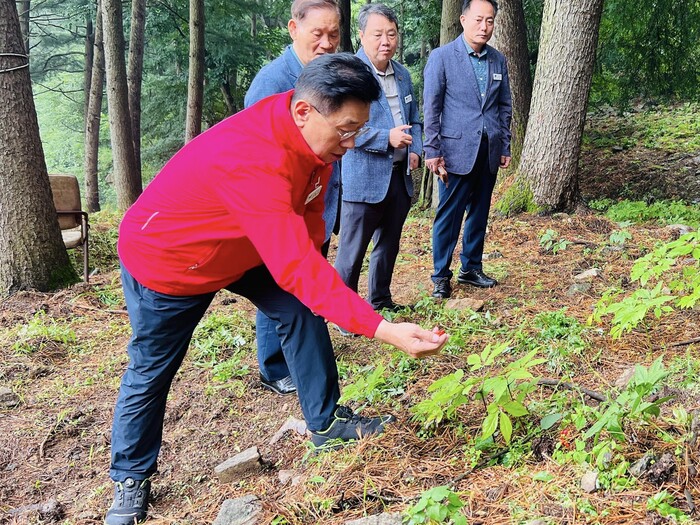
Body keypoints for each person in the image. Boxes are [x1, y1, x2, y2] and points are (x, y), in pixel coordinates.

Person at [104, 54, 448, 525]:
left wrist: (317, 273)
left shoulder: (314, 140)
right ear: (305, 111)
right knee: (152, 366)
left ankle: (326, 422)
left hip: (245, 244)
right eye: (346, 130)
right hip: (172, 260)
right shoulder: (255, 159)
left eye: (359, 130)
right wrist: (383, 329)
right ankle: (130, 476)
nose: (351, 143)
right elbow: (295, 266)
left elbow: (308, 218)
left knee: (300, 308)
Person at [245, 0, 341, 396]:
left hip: (317, 201)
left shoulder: (331, 76)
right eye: (318, 33)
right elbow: (254, 154)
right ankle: (273, 366)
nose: (326, 43)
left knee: (307, 280)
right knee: (278, 283)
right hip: (280, 208)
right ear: (293, 28)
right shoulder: (272, 81)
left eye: (333, 34)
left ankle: (301, 352)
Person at [333, 3, 421, 324]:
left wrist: (416, 148)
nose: (386, 41)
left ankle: (380, 299)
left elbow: (415, 119)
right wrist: (387, 138)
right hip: (364, 178)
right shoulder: (350, 72)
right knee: (352, 252)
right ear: (362, 35)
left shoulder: (403, 74)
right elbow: (345, 127)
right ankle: (344, 314)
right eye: (378, 34)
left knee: (388, 243)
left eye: (392, 34)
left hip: (399, 175)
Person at [423, 0, 512, 299]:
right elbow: (431, 108)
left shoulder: (498, 60)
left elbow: (504, 106)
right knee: (449, 215)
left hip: (488, 149)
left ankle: (471, 267)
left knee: (480, 212)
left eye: (490, 21)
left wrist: (505, 144)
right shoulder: (442, 57)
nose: (484, 27)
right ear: (463, 20)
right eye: (478, 19)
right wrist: (432, 150)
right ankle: (440, 275)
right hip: (454, 151)